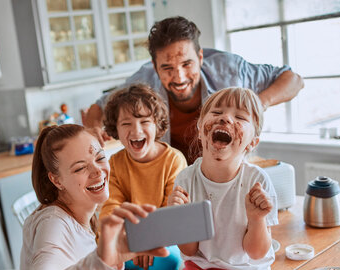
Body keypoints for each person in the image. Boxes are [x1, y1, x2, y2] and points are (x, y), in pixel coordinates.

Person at [19, 124, 168, 270]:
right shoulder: (54, 225)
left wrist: (102, 267)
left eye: (100, 158)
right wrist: (99, 265)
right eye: (80, 168)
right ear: (56, 180)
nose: (98, 172)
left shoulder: (76, 214)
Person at [158, 87, 278, 270]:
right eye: (217, 112)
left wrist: (257, 219)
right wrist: (179, 218)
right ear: (201, 128)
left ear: (251, 142)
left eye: (239, 116)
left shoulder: (256, 182)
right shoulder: (186, 180)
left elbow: (257, 253)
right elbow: (189, 251)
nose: (226, 119)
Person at [83, 16, 303, 164]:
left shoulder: (229, 70)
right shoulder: (144, 80)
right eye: (167, 68)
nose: (179, 77)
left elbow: (293, 79)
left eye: (187, 64)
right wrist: (92, 129)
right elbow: (99, 106)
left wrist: (257, 103)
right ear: (154, 65)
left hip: (228, 173)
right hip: (174, 177)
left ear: (200, 57)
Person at [99, 83, 187, 270]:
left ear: (157, 124)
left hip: (160, 239)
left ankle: (119, 264)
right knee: (93, 248)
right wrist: (133, 243)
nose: (136, 130)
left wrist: (147, 242)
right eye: (126, 123)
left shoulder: (174, 160)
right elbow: (110, 209)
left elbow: (171, 214)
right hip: (126, 239)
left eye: (144, 121)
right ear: (116, 129)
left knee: (168, 260)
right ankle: (123, 262)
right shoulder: (115, 163)